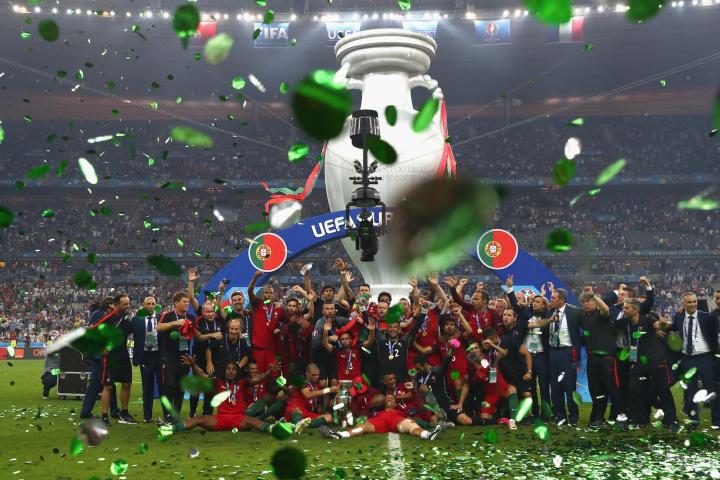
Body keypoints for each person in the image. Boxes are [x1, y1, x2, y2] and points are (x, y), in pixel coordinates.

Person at [179, 355, 284, 435]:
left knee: (254, 421)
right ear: (224, 371)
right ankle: (171, 428)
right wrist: (193, 365)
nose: (231, 371)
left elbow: (257, 379)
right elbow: (204, 376)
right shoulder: (218, 382)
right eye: (228, 369)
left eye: (233, 369)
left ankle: (272, 429)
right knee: (198, 419)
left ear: (237, 372)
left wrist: (270, 371)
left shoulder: (243, 382)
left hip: (239, 419)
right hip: (220, 419)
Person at [617, 301, 679, 430]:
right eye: (623, 308)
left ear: (635, 310)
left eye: (627, 308)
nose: (624, 310)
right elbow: (632, 343)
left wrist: (662, 323)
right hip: (639, 363)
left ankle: (671, 420)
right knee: (633, 390)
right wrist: (632, 361)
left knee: (663, 391)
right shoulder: (624, 322)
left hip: (656, 362)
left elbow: (657, 324)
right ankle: (635, 419)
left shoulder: (647, 320)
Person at [669, 292, 719, 428]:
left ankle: (717, 421)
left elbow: (714, 336)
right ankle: (694, 421)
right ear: (683, 304)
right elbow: (672, 328)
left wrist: (715, 356)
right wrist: (660, 326)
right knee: (689, 392)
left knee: (712, 390)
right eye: (689, 302)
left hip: (706, 358)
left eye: (694, 301)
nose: (693, 304)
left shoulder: (707, 317)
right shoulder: (678, 316)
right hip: (687, 359)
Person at [506, 275, 550, 420]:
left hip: (541, 356)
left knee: (544, 386)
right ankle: (535, 412)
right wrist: (510, 288)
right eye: (533, 301)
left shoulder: (547, 317)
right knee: (530, 386)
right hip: (527, 357)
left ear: (543, 305)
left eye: (538, 302)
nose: (534, 303)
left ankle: (546, 413)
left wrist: (544, 295)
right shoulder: (526, 315)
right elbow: (514, 303)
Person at [157, 292, 202, 423]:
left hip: (184, 358)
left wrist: (196, 331)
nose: (187, 304)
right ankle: (167, 416)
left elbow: (197, 336)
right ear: (176, 303)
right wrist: (175, 323)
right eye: (184, 301)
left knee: (180, 389)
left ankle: (176, 416)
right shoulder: (168, 315)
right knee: (169, 386)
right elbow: (158, 327)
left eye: (188, 302)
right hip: (168, 357)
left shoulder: (191, 317)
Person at [319, 394, 447, 440]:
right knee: (362, 427)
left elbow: (419, 411)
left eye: (392, 397)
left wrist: (430, 424)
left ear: (396, 403)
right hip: (380, 419)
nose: (389, 398)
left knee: (410, 425)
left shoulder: (401, 410)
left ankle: (428, 435)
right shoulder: (377, 411)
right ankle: (339, 435)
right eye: (387, 397)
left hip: (396, 419)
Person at [95, 293, 137, 426]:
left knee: (127, 384)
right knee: (108, 386)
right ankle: (104, 416)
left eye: (128, 303)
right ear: (117, 305)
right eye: (125, 304)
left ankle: (124, 413)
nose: (128, 306)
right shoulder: (108, 319)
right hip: (111, 356)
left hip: (124, 354)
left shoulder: (128, 318)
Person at [578, 289, 617, 426]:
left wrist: (593, 295)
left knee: (611, 389)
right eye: (583, 302)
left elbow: (606, 309)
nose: (586, 304)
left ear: (595, 302)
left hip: (607, 358)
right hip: (592, 358)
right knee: (595, 389)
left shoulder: (601, 314)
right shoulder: (584, 316)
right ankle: (597, 418)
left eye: (588, 301)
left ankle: (616, 417)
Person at [546, 288, 582, 426]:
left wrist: (580, 344)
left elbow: (586, 329)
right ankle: (560, 415)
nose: (551, 300)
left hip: (567, 352)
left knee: (569, 386)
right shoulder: (550, 312)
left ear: (562, 300)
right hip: (552, 352)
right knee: (555, 387)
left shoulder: (574, 312)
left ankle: (573, 416)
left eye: (554, 298)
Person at [413, 347, 475, 426]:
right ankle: (445, 422)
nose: (417, 371)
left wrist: (449, 355)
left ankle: (486, 421)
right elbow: (418, 395)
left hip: (446, 404)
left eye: (419, 369)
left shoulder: (437, 371)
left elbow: (445, 365)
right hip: (433, 409)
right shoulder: (417, 377)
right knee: (433, 420)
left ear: (425, 365)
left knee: (467, 421)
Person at [80, 297, 119, 419]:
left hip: (96, 354)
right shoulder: (100, 315)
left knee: (99, 383)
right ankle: (113, 411)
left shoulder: (97, 314)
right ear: (110, 306)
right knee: (106, 382)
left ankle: (87, 411)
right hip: (98, 355)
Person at [247, 270, 290, 375]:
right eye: (266, 292)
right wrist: (255, 277)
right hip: (257, 350)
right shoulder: (258, 304)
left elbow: (288, 322)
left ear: (274, 294)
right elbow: (250, 291)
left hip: (271, 349)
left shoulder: (278, 308)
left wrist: (280, 329)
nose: (268, 295)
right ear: (263, 294)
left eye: (270, 292)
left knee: (272, 375)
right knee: (258, 375)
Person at [189, 300, 226, 418]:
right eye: (207, 312)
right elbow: (198, 338)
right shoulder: (198, 321)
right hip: (199, 358)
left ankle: (207, 413)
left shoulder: (220, 321)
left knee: (211, 386)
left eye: (212, 311)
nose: (210, 314)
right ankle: (192, 413)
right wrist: (211, 335)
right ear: (203, 313)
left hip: (214, 359)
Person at [131, 296, 164, 423]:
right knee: (147, 388)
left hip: (159, 356)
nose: (150, 306)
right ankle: (147, 416)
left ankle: (167, 415)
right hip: (145, 357)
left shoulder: (162, 318)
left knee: (163, 387)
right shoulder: (136, 320)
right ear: (144, 305)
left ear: (156, 305)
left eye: (153, 303)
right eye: (148, 304)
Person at [445, 276, 502, 342]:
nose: (473, 301)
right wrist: (452, 288)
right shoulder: (471, 308)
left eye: (476, 299)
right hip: (472, 344)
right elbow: (457, 300)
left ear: (484, 301)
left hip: (487, 344)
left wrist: (493, 340)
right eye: (473, 299)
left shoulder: (492, 312)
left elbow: (500, 330)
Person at [284, 363, 337, 432]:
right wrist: (328, 389)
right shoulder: (301, 381)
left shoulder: (317, 386)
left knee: (329, 417)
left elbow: (319, 397)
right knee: (298, 411)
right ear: (307, 374)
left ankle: (300, 425)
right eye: (314, 375)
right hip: (294, 409)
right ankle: (297, 423)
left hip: (306, 413)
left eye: (318, 375)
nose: (316, 377)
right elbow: (308, 395)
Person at [322, 316, 375, 383]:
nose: (344, 341)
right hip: (342, 382)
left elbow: (369, 342)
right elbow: (325, 344)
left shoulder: (357, 349)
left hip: (357, 383)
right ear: (340, 340)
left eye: (347, 339)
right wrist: (325, 331)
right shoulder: (337, 351)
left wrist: (372, 331)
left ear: (351, 340)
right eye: (342, 339)